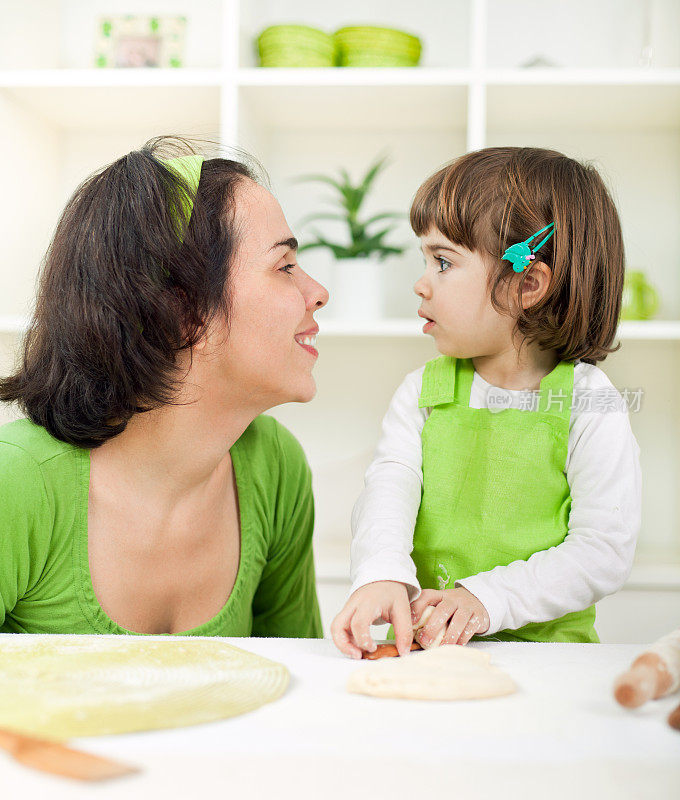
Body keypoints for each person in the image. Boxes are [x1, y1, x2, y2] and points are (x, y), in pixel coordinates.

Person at [0, 137, 329, 638]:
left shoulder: (274, 467)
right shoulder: (17, 483)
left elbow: (295, 690)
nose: (317, 293)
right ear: (178, 308)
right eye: (284, 266)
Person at [332, 146, 641, 659]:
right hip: (430, 651)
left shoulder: (590, 403)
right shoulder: (421, 392)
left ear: (526, 283)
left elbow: (603, 550)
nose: (421, 282)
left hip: (552, 662)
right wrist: (380, 574)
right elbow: (389, 488)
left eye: (443, 261)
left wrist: (486, 598)